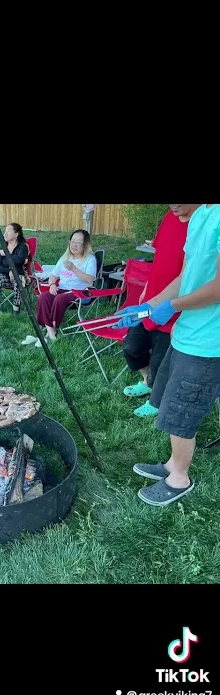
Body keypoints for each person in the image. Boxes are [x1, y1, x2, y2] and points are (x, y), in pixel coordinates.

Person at [116, 204, 220, 507]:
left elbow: (217, 288)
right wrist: (148, 306)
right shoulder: (200, 216)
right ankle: (173, 464)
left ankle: (180, 478)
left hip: (209, 339)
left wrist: (172, 307)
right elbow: (186, 276)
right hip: (189, 330)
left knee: (183, 409)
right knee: (174, 402)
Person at [122, 204, 201, 418]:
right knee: (132, 346)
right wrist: (147, 289)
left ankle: (156, 400)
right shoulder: (168, 218)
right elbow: (158, 260)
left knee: (161, 360)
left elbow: (189, 276)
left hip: (174, 306)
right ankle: (147, 381)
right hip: (151, 300)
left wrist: (174, 307)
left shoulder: (201, 224)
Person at [28, 230, 96, 347]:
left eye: (78, 242)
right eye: (72, 241)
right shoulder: (65, 257)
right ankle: (50, 331)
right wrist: (52, 285)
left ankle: (53, 328)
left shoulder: (90, 259)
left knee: (60, 298)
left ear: (85, 245)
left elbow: (89, 280)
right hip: (62, 289)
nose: (74, 245)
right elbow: (53, 276)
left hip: (80, 292)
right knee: (44, 297)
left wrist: (73, 268)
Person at [0, 223, 29, 314]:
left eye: (8, 231)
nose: (5, 233)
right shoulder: (3, 247)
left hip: (19, 276)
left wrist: (6, 254)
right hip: (6, 276)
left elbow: (20, 260)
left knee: (18, 280)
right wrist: (9, 271)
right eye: (5, 231)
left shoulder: (23, 247)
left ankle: (16, 310)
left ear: (16, 234)